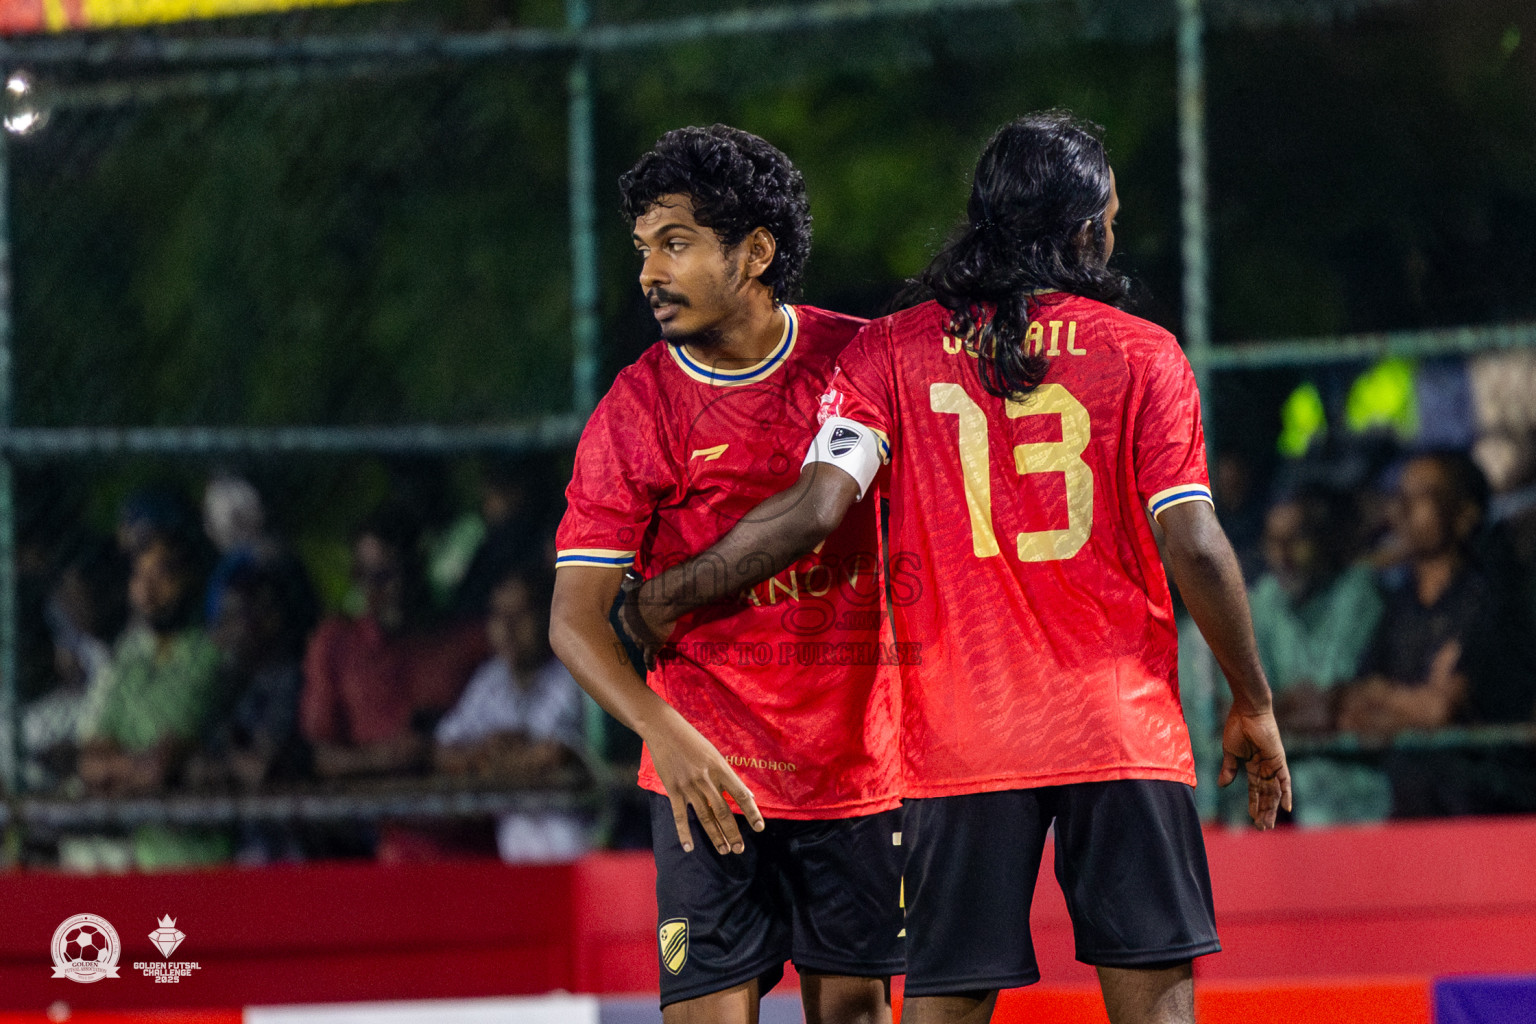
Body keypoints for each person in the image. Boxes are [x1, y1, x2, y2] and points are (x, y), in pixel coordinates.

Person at [625, 112, 1291, 1024]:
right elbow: (1196, 541)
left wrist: (666, 597)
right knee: (1156, 1002)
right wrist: (1251, 702)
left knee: (945, 1005)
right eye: (1112, 218)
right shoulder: (1145, 355)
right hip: (1120, 729)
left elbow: (818, 508)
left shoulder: (888, 351)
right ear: (1085, 227)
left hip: (962, 738)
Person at [549, 125, 903, 1024]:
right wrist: (663, 734)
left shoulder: (861, 364)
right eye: (642, 250)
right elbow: (575, 620)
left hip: (858, 772)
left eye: (675, 244)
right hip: (704, 781)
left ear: (754, 251)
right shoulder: (636, 410)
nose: (648, 275)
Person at [1338, 450, 1536, 815]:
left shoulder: (1492, 602)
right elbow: (1355, 709)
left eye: (1422, 496)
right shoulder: (1397, 606)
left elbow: (1440, 709)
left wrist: (1392, 700)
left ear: (1464, 516)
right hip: (1412, 813)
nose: (1403, 510)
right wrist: (1408, 701)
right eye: (1399, 498)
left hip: (1486, 815)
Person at [73, 533, 228, 869]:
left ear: (190, 581)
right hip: (127, 854)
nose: (147, 591)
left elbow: (165, 762)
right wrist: (134, 766)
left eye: (162, 576)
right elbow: (89, 761)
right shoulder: (126, 655)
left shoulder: (209, 655)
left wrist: (115, 768)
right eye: (140, 576)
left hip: (190, 855)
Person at [1239, 485, 1388, 825]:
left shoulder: (1356, 591)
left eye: (1298, 539)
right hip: (1293, 808)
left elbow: (1330, 704)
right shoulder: (1265, 600)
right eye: (1273, 542)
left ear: (1324, 541)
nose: (1283, 555)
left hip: (1361, 804)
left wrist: (1282, 710)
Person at [435, 568, 593, 863]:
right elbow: (444, 751)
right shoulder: (489, 679)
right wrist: (488, 751)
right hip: (514, 851)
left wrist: (485, 760)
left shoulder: (575, 674)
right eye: (499, 615)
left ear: (548, 614)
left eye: (520, 615)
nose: (507, 628)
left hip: (577, 848)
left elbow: (552, 757)